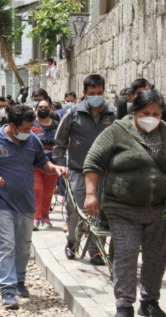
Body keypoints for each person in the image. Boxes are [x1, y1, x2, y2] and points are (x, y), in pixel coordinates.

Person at [83, 89, 166, 317]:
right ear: (134, 112)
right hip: (122, 208)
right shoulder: (116, 132)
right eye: (146, 112)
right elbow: (93, 161)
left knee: (157, 255)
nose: (151, 118)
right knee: (126, 254)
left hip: (160, 209)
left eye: (156, 114)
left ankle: (150, 302)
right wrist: (90, 194)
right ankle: (124, 305)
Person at [0, 105, 67, 310]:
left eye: (30, 128)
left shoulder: (33, 140)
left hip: (26, 202)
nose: (28, 132)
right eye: (25, 129)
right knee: (7, 244)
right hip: (1, 201)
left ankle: (19, 281)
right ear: (13, 126)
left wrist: (56, 169)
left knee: (23, 245)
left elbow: (43, 163)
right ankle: (7, 290)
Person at [53, 74, 116, 265]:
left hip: (104, 172)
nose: (96, 96)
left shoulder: (113, 115)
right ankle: (72, 241)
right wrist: (60, 164)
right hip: (78, 170)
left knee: (100, 210)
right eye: (92, 93)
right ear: (84, 93)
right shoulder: (73, 114)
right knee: (75, 210)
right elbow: (59, 142)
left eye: (99, 93)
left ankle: (95, 250)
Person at [32, 100, 60, 230]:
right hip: (35, 164)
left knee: (48, 192)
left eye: (46, 107)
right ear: (36, 109)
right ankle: (36, 217)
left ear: (51, 109)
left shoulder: (57, 125)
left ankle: (45, 216)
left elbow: (62, 141)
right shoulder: (31, 124)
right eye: (40, 107)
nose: (43, 109)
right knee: (37, 191)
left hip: (52, 164)